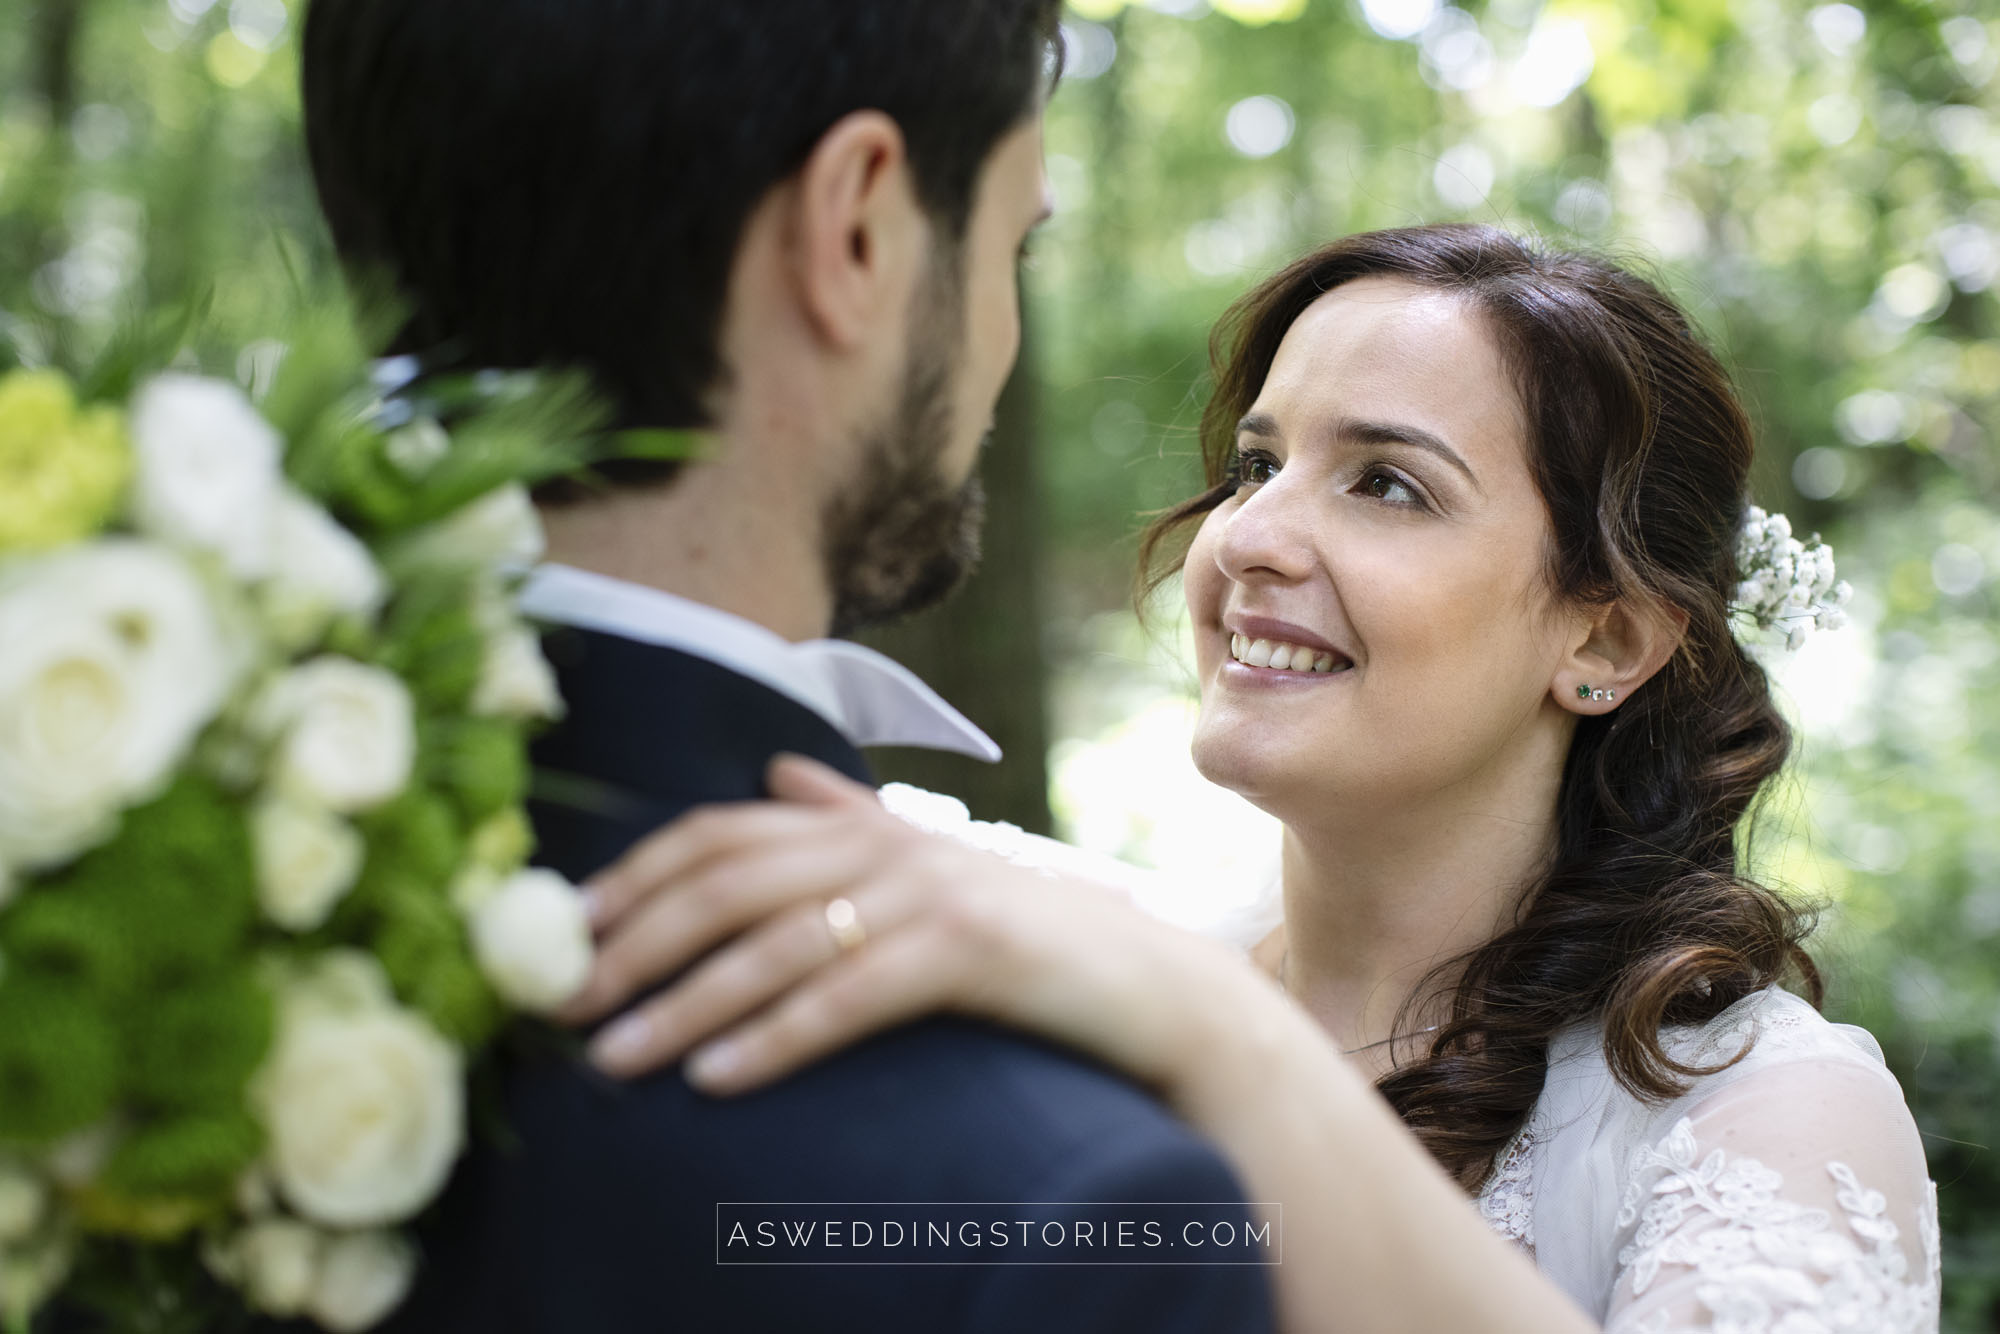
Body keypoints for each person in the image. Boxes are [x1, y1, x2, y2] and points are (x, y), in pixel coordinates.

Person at [563, 224, 1945, 1333]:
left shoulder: (1761, 1114)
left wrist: (1229, 1050)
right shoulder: (1045, 932)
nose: (1247, 538)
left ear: (1605, 635)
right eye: (1257, 463)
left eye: (1387, 484)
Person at [298, 2, 1279, 1331]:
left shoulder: (116, 871)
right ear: (860, 230)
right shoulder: (1066, 1207)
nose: (997, 336)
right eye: (1012, 245)